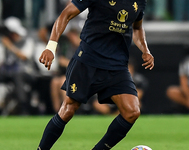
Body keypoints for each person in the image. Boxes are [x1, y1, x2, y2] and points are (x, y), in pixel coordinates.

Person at [38, 0, 154, 150]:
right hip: (88, 60)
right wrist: (51, 47)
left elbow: (137, 28)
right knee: (68, 110)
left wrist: (145, 50)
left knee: (132, 111)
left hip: (117, 65)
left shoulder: (140, 1)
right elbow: (65, 15)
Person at [0, 17, 36, 115]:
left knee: (18, 75)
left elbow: (24, 56)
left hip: (26, 72)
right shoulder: (5, 42)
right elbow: (3, 61)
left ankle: (23, 107)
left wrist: (10, 46)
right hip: (8, 72)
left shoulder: (27, 41)